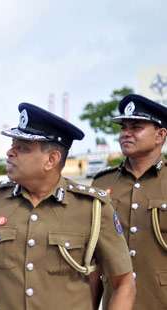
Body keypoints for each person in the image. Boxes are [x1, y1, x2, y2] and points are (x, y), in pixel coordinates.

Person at [0, 103, 135, 310]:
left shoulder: (93, 208)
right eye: (12, 145)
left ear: (51, 159)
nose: (10, 153)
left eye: (22, 148)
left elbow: (124, 283)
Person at [92, 94, 167, 309]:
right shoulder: (101, 184)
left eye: (136, 127)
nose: (126, 133)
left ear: (160, 135)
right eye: (123, 127)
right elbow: (93, 260)